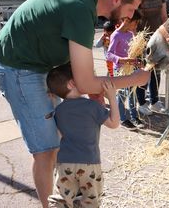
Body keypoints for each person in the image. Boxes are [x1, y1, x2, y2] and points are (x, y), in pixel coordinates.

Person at [0, 0, 150, 208]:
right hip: (19, 69)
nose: (131, 16)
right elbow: (85, 82)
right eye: (131, 9)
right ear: (116, 0)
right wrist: (136, 79)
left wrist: (96, 88)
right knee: (46, 150)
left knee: (57, 144)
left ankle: (64, 200)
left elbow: (82, 71)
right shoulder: (80, 10)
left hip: (39, 65)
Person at [46, 63, 119, 208]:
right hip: (89, 163)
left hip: (64, 162)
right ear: (72, 83)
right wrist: (112, 98)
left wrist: (53, 98)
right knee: (90, 201)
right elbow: (114, 123)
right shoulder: (92, 106)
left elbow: (60, 134)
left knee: (61, 199)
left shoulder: (58, 110)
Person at [137, 0, 168, 116]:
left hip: (157, 37)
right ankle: (141, 103)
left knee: (156, 70)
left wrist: (167, 35)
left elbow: (163, 15)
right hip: (141, 38)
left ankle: (154, 101)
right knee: (143, 70)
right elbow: (133, 15)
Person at [106, 10, 144, 129]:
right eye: (135, 23)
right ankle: (122, 119)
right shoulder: (116, 35)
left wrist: (137, 62)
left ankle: (134, 116)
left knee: (133, 94)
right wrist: (124, 60)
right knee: (122, 94)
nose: (136, 26)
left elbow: (133, 53)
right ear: (127, 20)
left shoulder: (130, 34)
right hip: (120, 70)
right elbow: (109, 55)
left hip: (131, 68)